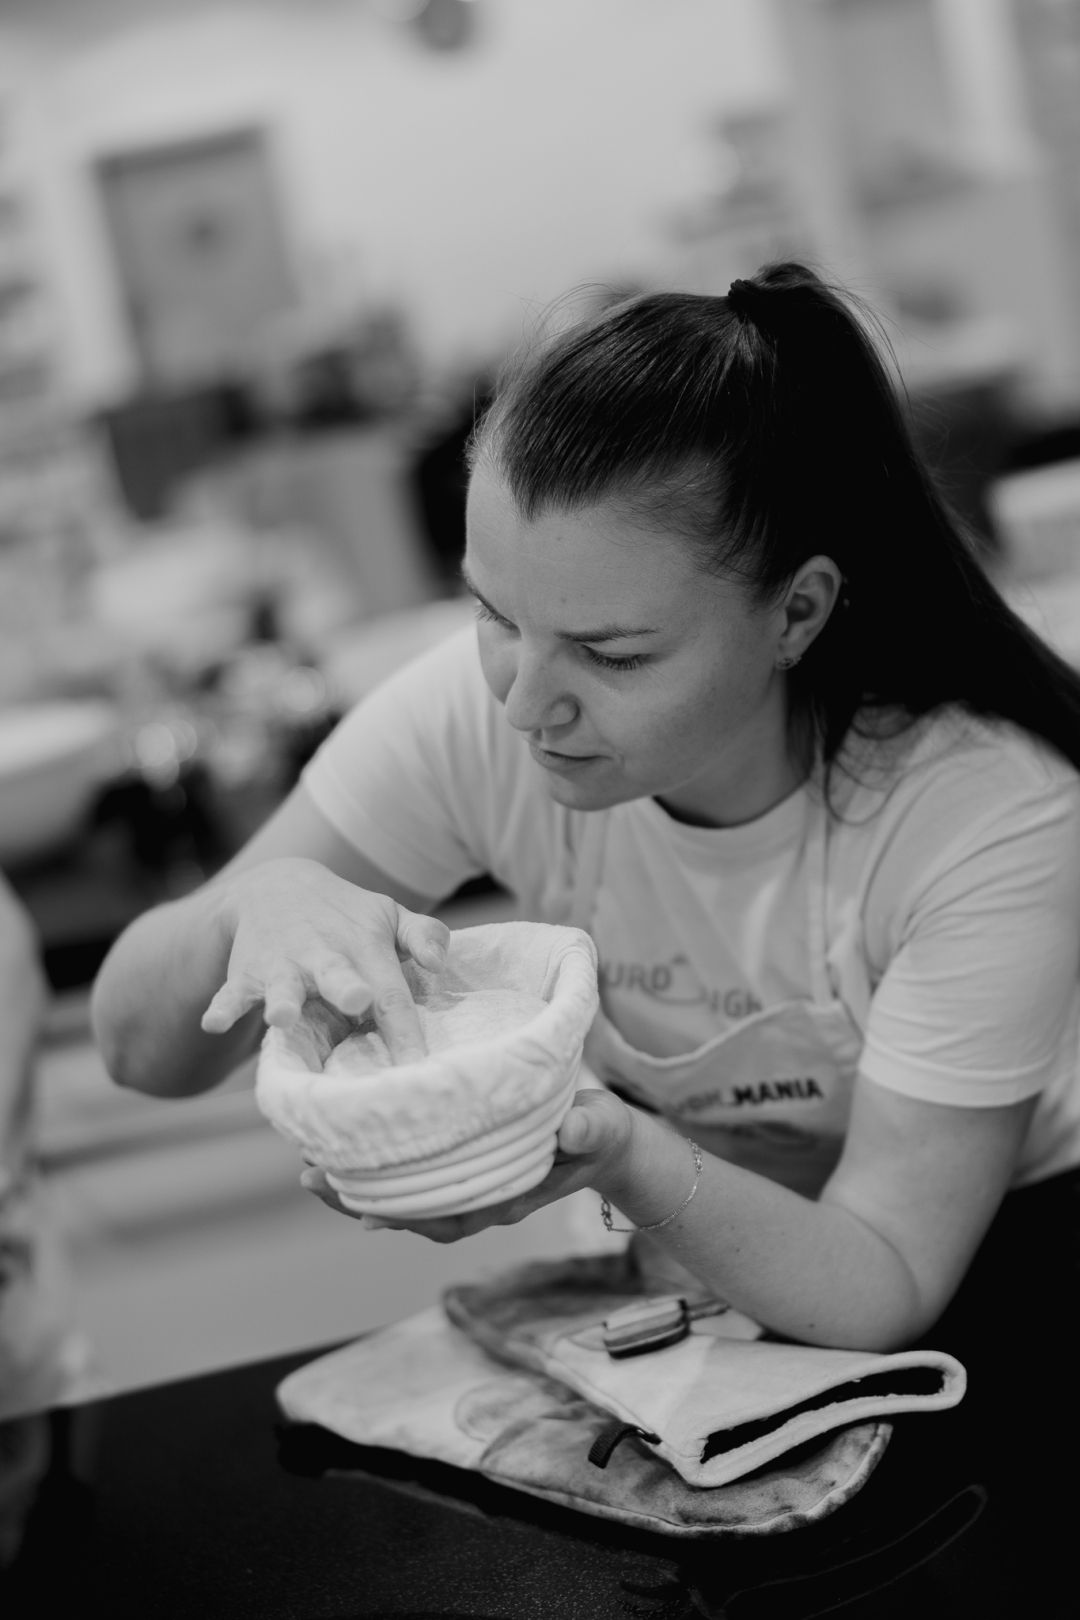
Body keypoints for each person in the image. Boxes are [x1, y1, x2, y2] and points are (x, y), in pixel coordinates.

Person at [89, 262, 1080, 1384]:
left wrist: (610, 1147)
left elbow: (882, 1279)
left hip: (1006, 1296)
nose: (523, 703)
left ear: (796, 612)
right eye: (493, 614)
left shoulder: (979, 818)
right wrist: (250, 913)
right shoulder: (476, 718)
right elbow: (138, 1050)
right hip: (692, 1291)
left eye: (611, 654)